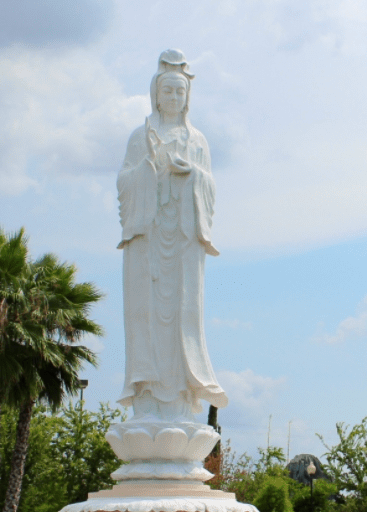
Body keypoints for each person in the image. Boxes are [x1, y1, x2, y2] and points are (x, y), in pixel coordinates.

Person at [117, 49, 227, 421]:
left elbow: (209, 185)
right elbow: (125, 181)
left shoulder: (197, 141)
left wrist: (191, 174)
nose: (174, 97)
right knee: (147, 314)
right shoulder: (140, 137)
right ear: (156, 94)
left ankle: (182, 395)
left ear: (187, 97)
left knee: (183, 313)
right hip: (148, 240)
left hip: (182, 238)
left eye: (180, 91)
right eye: (168, 91)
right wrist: (149, 168)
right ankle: (147, 395)